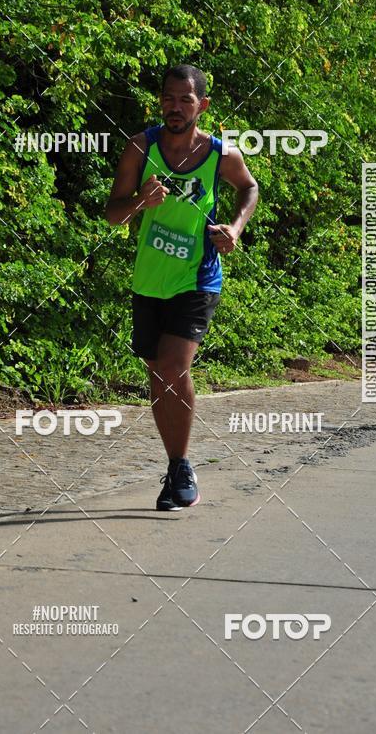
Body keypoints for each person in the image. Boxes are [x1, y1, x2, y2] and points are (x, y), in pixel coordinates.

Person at [104, 64, 258, 510]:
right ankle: (175, 466)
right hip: (150, 280)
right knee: (158, 374)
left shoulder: (220, 154)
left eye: (185, 100)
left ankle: (183, 465)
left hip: (198, 278)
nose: (175, 107)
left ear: (202, 106)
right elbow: (113, 214)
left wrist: (235, 226)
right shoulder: (141, 146)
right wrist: (139, 202)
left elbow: (249, 188)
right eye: (168, 98)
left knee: (173, 366)